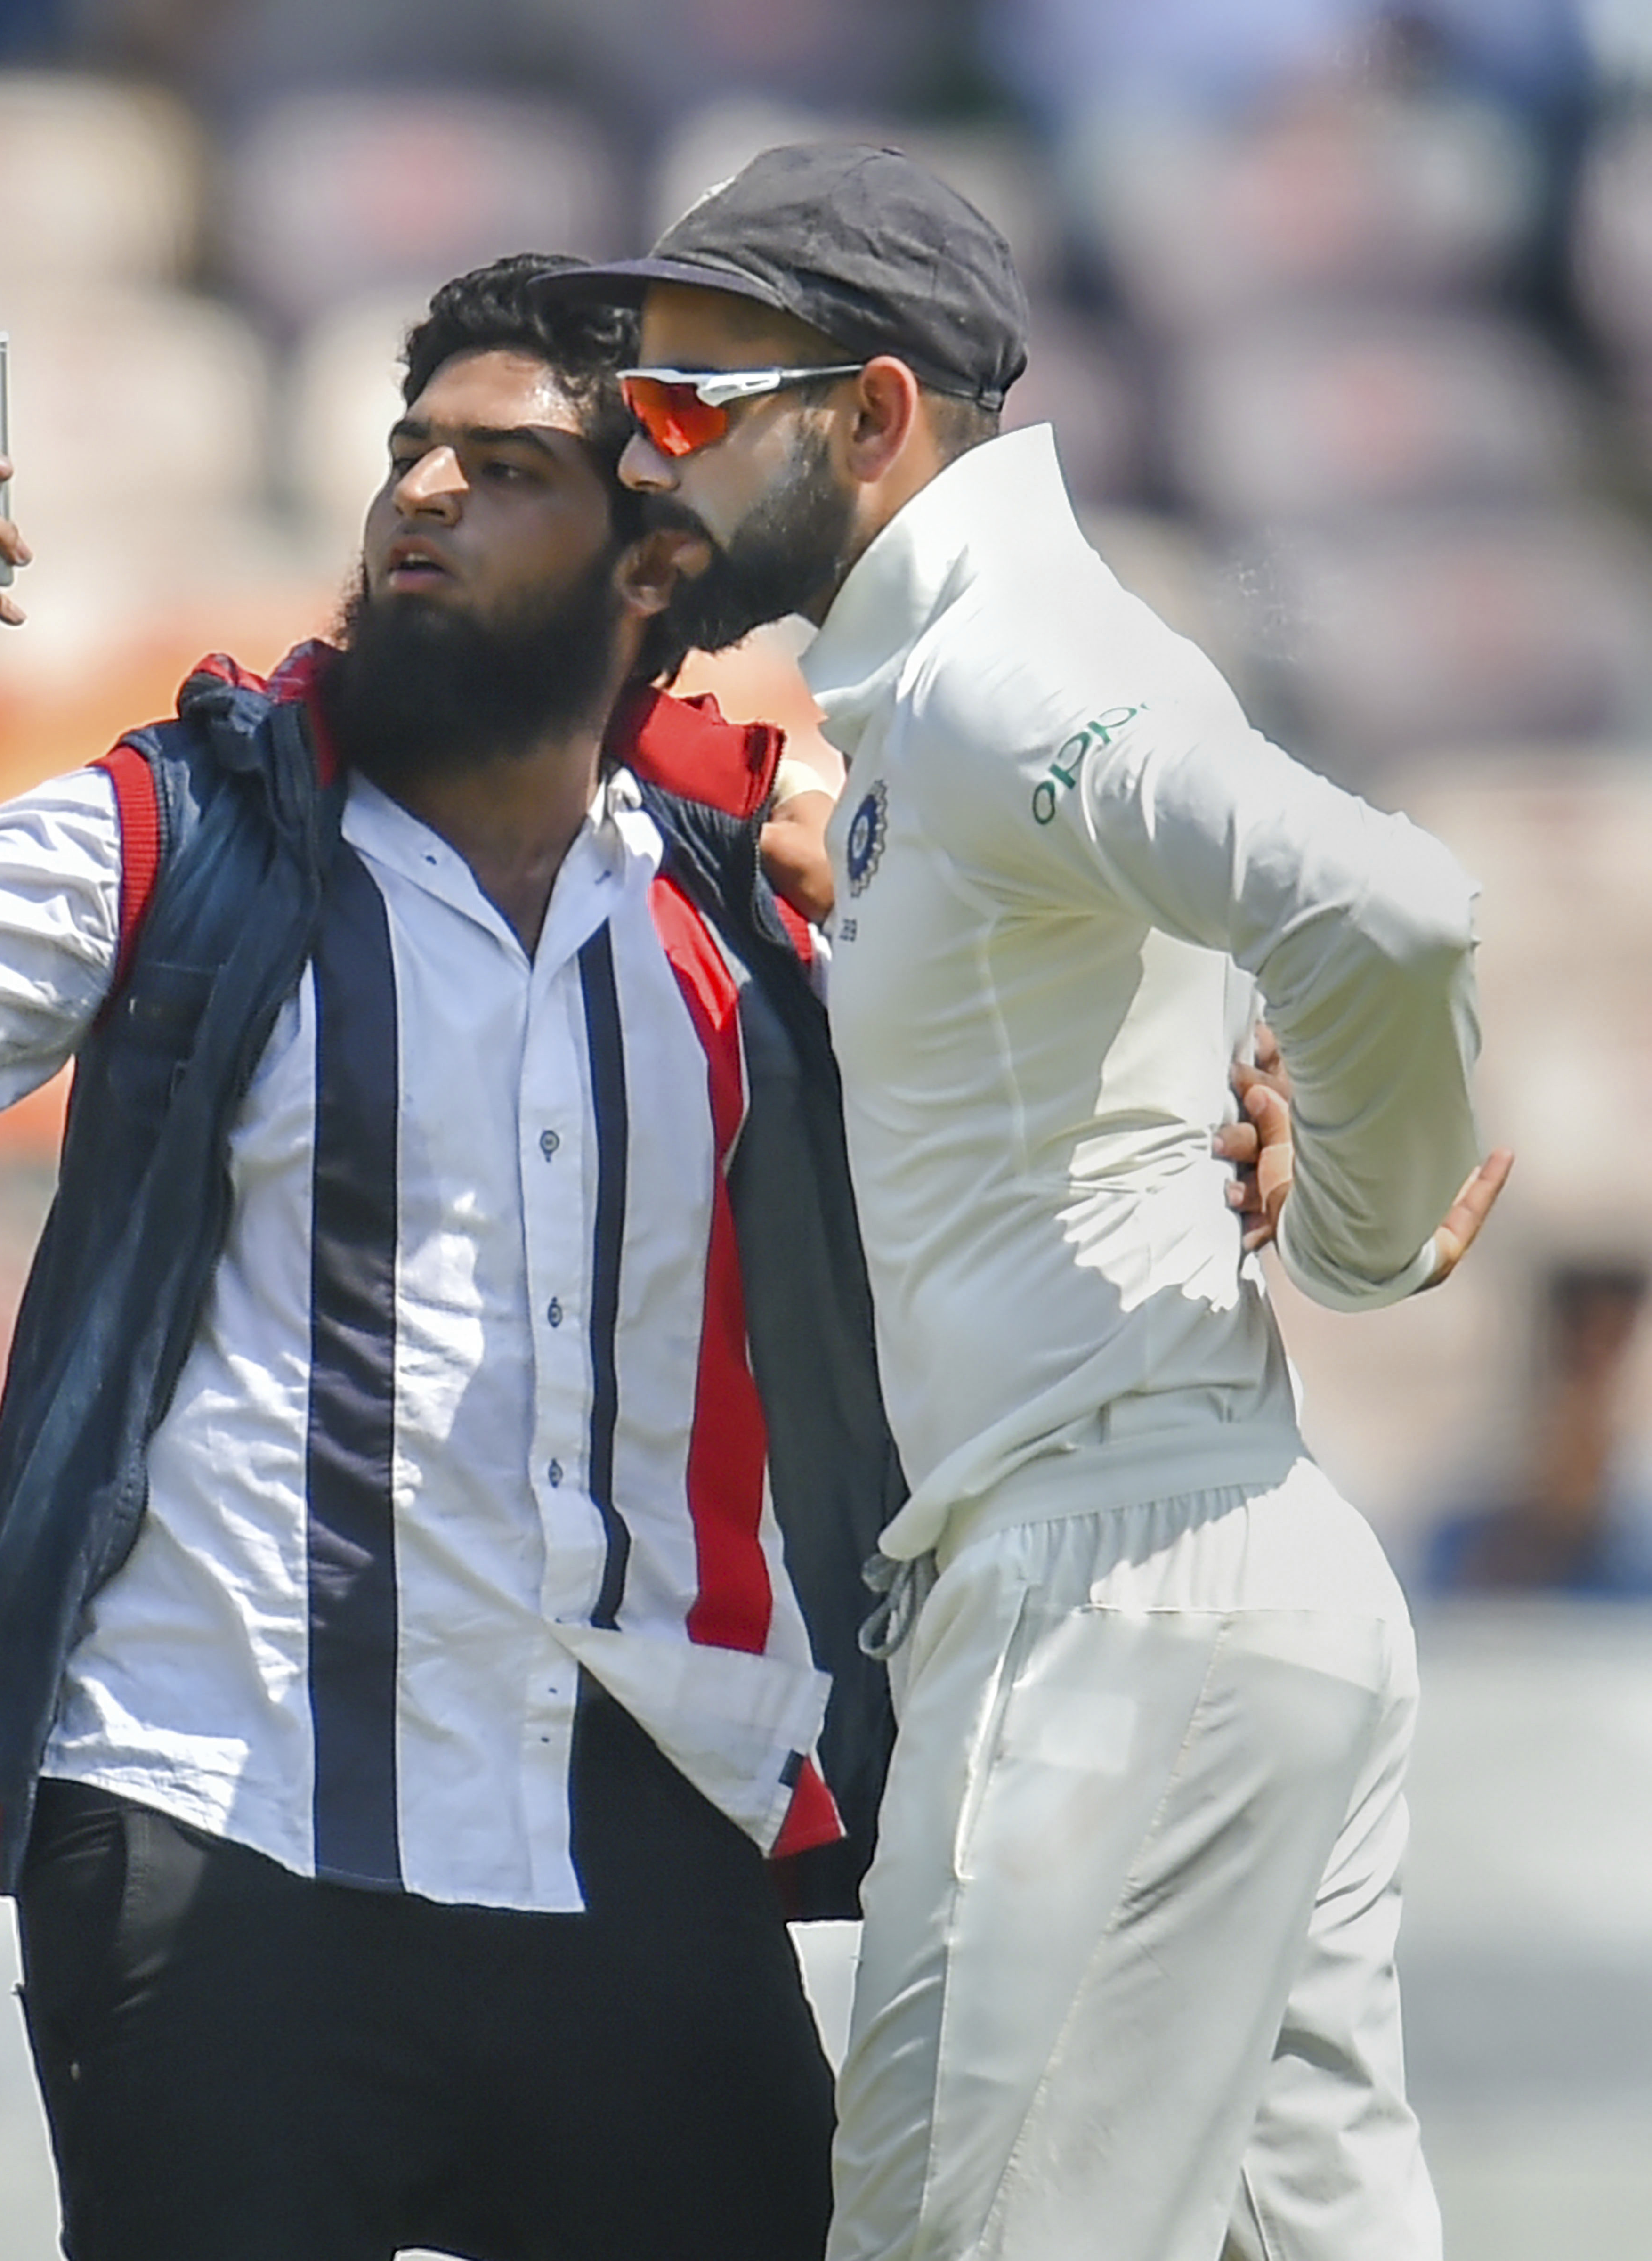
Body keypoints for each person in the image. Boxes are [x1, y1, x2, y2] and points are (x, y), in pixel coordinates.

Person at [0, 252, 912, 2261]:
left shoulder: (756, 889)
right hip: (224, 1822)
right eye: (407, 453)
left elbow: (1077, 1080)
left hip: (645, 1849)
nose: (424, 493)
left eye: (504, 466)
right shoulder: (189, 827)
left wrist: (1247, 1073)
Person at [556, 142, 1514, 2261]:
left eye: (701, 407)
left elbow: (1392, 907)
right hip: (1201, 1570)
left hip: (1112, 1604)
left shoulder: (998, 679)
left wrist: (1358, 1227)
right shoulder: (952, 693)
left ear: (875, 416)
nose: (649, 456)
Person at [1425, 1257, 1652, 1596]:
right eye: (1581, 1342)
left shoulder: (1637, 1516)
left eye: (1613, 1343)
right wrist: (1544, 1526)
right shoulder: (1478, 1484)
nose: (1595, 1366)